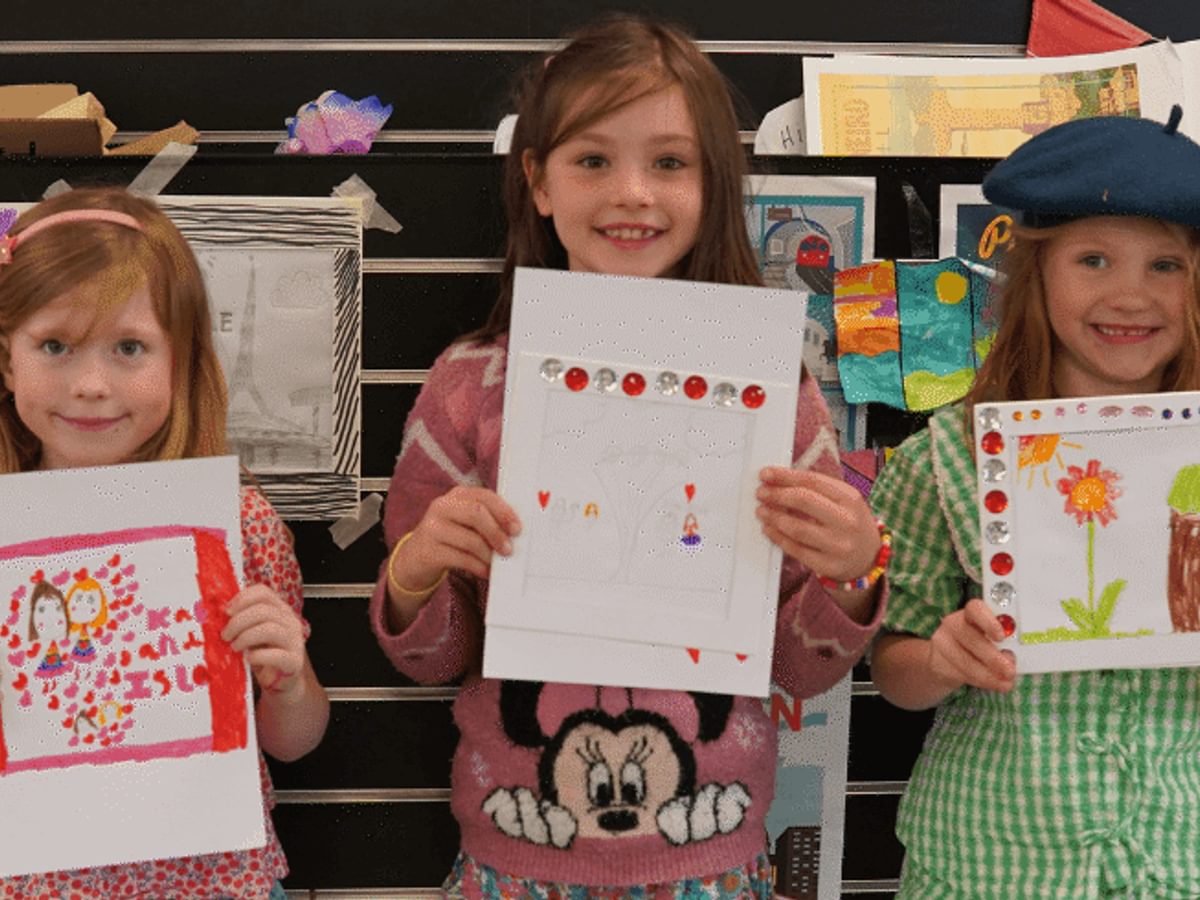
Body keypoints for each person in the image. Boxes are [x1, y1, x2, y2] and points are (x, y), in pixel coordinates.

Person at [370, 14, 888, 896]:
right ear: (537, 182)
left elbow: (798, 667)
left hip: (711, 857)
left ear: (712, 186)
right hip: (513, 853)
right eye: (593, 160)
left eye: (671, 163)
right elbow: (434, 660)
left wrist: (850, 575)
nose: (633, 193)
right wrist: (416, 573)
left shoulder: (772, 391)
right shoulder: (468, 386)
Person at [869, 106, 1200, 899]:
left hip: (1179, 858)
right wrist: (945, 660)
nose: (1130, 295)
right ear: (1037, 273)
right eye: (1093, 259)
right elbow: (894, 670)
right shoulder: (943, 461)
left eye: (1166, 265)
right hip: (996, 863)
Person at [0, 187, 330, 899]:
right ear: (6, 361)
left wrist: (290, 680)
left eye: (129, 348)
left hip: (216, 884)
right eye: (54, 345)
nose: (90, 384)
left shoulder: (238, 528)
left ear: (178, 363)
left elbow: (293, 738)